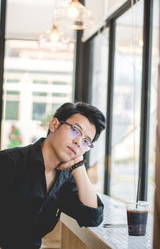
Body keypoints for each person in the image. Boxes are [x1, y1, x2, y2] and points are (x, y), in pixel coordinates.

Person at [0, 102, 106, 249]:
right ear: (54, 125)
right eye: (75, 130)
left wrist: (78, 166)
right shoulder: (8, 162)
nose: (78, 142)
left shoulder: (65, 179)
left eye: (86, 141)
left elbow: (92, 217)